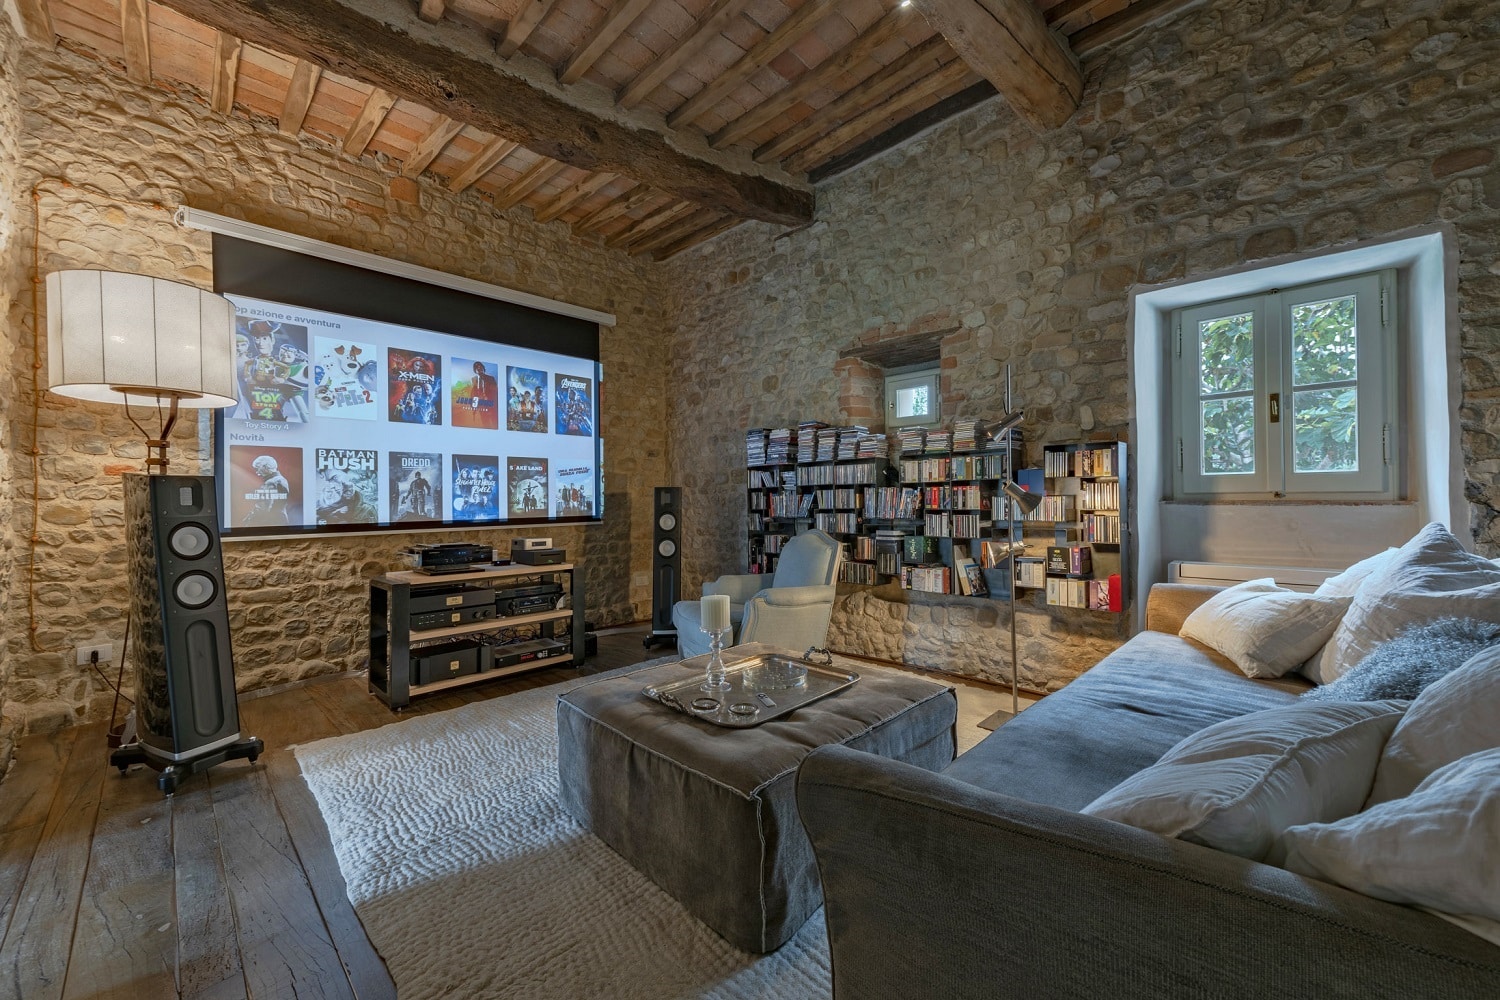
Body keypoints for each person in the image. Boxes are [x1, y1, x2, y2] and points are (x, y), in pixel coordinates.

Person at [243, 455, 290, 526]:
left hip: (270, 523)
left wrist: (249, 521)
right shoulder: (282, 479)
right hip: (281, 521)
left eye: (257, 469)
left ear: (265, 467)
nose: (257, 472)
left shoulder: (270, 482)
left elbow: (263, 508)